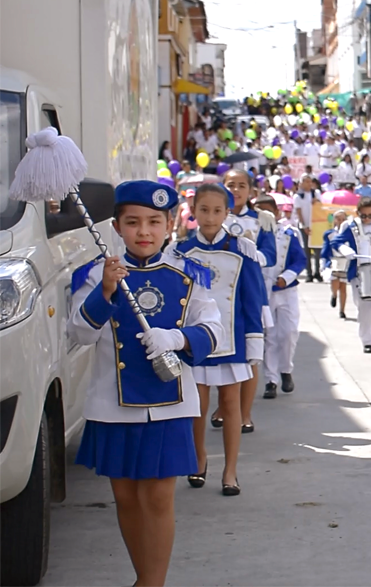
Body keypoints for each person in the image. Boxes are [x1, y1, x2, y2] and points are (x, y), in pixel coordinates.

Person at [70, 181, 222, 587]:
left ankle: (152, 582)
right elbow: (79, 335)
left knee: (157, 497)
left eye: (155, 222)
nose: (144, 231)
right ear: (116, 227)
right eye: (133, 222)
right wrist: (104, 292)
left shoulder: (190, 274)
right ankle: (143, 576)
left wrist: (176, 338)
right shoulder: (95, 275)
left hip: (171, 403)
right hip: (112, 403)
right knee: (126, 498)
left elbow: (214, 332)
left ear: (170, 223)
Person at [172, 183, 267, 496]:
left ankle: (230, 470)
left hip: (233, 339)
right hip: (195, 341)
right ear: (193, 212)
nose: (210, 217)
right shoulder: (180, 252)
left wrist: (254, 340)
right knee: (197, 405)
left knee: (230, 404)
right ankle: (199, 459)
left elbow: (252, 298)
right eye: (203, 210)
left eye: (217, 211)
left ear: (227, 212)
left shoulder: (242, 249)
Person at [222, 169, 277, 433]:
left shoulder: (262, 220)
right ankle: (223, 408)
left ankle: (245, 413)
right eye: (230, 185)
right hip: (219, 292)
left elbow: (271, 255)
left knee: (251, 352)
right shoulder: (214, 216)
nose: (236, 190)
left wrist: (250, 252)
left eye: (241, 185)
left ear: (251, 191)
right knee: (219, 351)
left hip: (251, 290)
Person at [255, 195, 307, 399]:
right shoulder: (251, 234)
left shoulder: (288, 234)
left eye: (268, 211)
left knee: (288, 333)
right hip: (262, 291)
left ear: (276, 213)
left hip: (286, 291)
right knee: (269, 336)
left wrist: (286, 277)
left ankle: (286, 369)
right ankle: (271, 380)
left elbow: (299, 260)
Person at [333, 197, 371, 354]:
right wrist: (346, 251)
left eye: (370, 215)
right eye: (364, 216)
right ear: (358, 213)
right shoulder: (350, 226)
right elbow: (336, 242)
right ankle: (367, 342)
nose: (367, 219)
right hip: (360, 271)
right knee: (364, 309)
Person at [321, 209, 350, 318]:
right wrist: (323, 262)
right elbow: (325, 249)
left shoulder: (350, 233)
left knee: (343, 286)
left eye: (343, 219)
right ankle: (334, 295)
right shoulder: (330, 234)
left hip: (346, 261)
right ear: (335, 220)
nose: (341, 221)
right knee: (335, 282)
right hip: (334, 260)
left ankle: (342, 310)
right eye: (338, 219)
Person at [293, 176, 322, 282]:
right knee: (306, 251)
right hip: (304, 226)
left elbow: (321, 208)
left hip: (316, 226)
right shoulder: (298, 196)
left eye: (310, 181)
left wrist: (317, 201)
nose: (309, 184)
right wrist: (304, 226)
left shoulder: (316, 193)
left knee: (318, 250)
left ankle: (317, 272)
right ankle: (309, 273)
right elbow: (299, 212)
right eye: (306, 182)